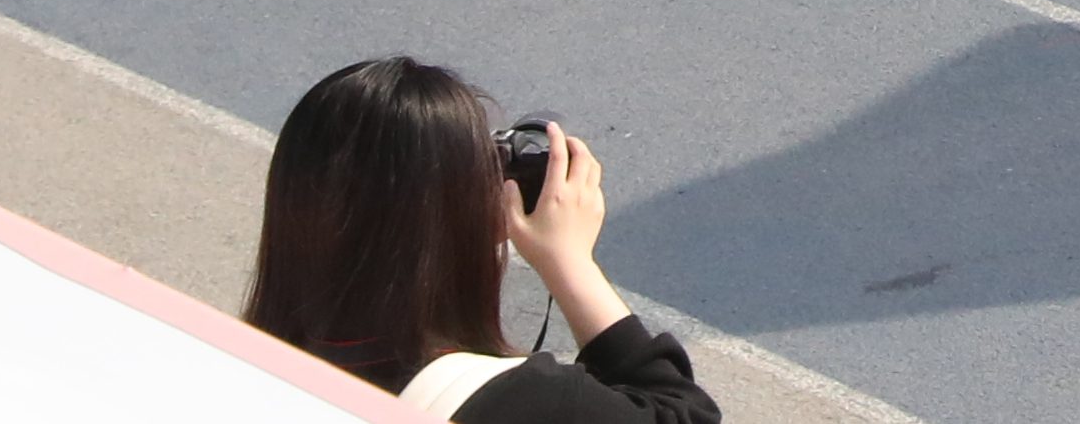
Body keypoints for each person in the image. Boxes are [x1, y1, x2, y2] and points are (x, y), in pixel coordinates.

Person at [242, 59, 725, 422]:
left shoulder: (242, 369)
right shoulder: (523, 401)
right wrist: (569, 263)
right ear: (463, 217)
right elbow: (683, 415)